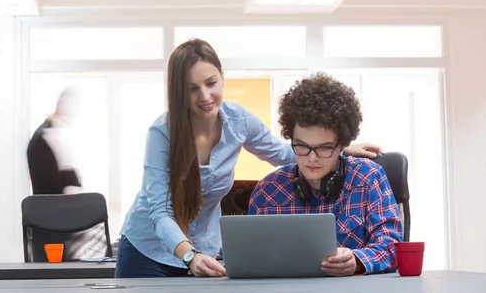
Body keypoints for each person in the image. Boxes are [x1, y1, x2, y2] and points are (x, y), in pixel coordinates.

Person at [115, 39, 382, 278]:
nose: (205, 96)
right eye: (192, 89)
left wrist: (335, 147)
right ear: (178, 91)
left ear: (222, 78)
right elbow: (160, 213)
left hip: (205, 252)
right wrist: (189, 256)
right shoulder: (163, 133)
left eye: (211, 83)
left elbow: (284, 154)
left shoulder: (238, 120)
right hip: (148, 251)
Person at [249, 73, 403, 276]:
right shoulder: (267, 190)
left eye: (324, 148)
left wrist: (356, 261)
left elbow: (392, 246)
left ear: (342, 145)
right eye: (302, 146)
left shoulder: (368, 178)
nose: (312, 159)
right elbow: (250, 256)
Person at [27, 86, 84, 195]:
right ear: (62, 105)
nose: (76, 111)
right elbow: (70, 186)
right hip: (56, 208)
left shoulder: (48, 133)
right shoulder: (50, 136)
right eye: (75, 106)